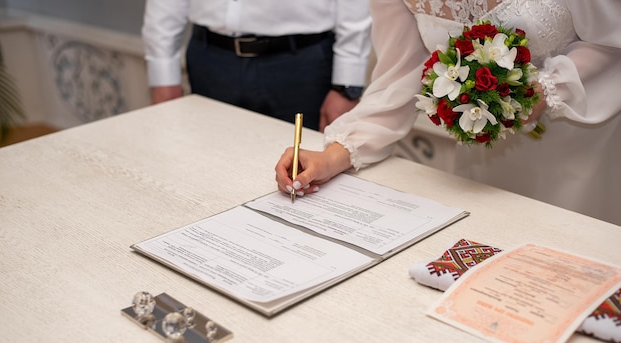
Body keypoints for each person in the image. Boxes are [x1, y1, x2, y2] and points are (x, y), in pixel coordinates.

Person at [275, 0, 621, 226]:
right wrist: (334, 155)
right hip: (486, 149)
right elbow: (398, 77)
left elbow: (611, 41)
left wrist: (546, 90)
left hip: (581, 133)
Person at [141, 0, 372, 131]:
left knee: (302, 178)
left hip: (301, 66)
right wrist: (163, 74)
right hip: (210, 59)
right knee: (208, 170)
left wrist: (346, 85)